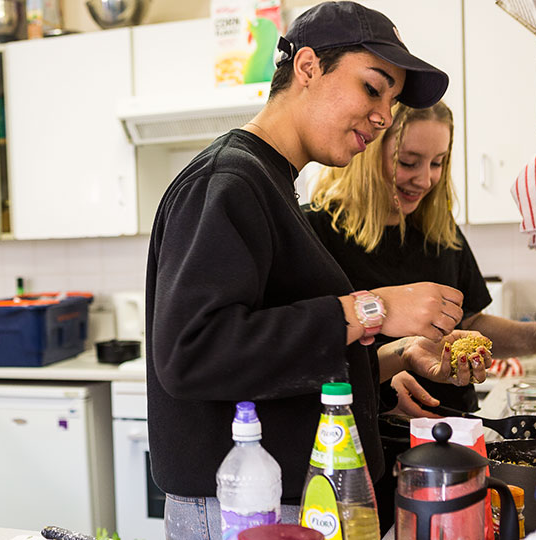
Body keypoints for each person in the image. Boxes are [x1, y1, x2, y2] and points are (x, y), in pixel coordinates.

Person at [145, 2, 491, 537]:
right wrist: (376, 306)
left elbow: (267, 356)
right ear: (307, 68)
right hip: (244, 507)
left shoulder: (272, 184)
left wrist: (375, 375)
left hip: (290, 499)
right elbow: (193, 352)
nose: (384, 116)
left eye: (393, 101)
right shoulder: (230, 181)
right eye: (373, 88)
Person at [305, 100, 536, 417]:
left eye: (437, 163)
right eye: (409, 162)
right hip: (365, 434)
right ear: (368, 154)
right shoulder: (315, 232)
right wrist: (380, 379)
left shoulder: (439, 229)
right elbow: (307, 350)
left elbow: (469, 322)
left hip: (455, 423)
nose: (425, 180)